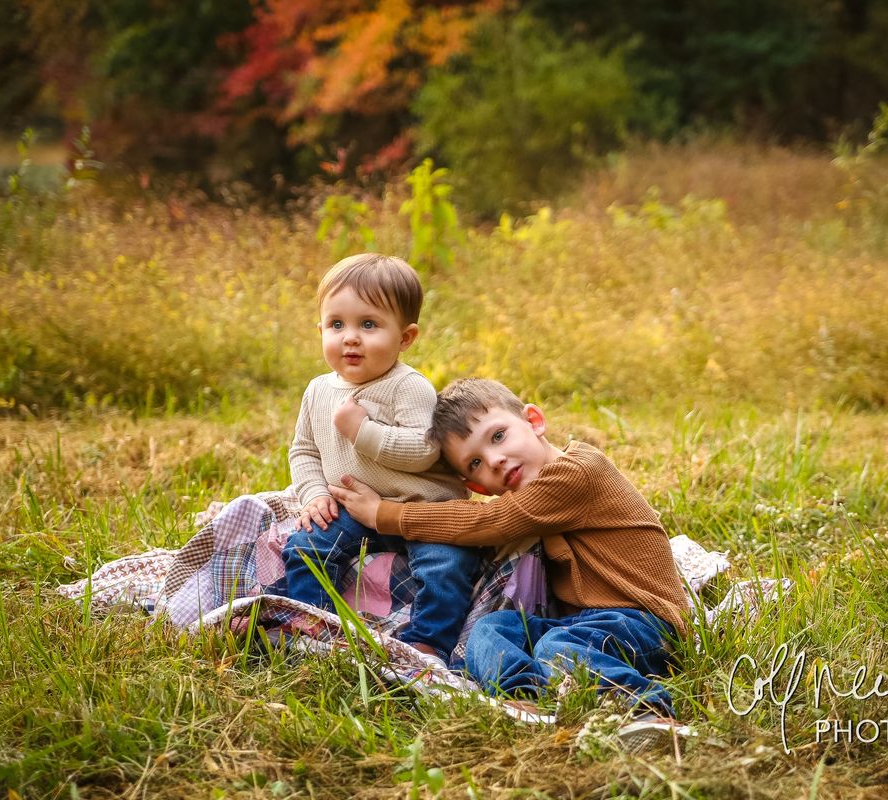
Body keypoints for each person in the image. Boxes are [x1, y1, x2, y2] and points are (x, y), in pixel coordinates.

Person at [328, 378, 690, 736]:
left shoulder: (576, 472)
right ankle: (525, 699)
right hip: (592, 625)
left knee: (557, 646)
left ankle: (646, 712)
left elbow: (492, 521)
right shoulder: (535, 494)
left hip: (649, 621)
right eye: (475, 463)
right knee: (490, 630)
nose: (495, 460)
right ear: (478, 487)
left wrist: (385, 515)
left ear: (534, 421)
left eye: (498, 436)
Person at [275, 253, 481, 667]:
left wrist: (361, 431)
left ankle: (427, 644)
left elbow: (425, 449)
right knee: (306, 545)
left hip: (422, 508)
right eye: (337, 325)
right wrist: (315, 493)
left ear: (405, 338)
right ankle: (311, 625)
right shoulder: (318, 390)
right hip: (353, 506)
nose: (350, 337)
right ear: (320, 330)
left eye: (368, 325)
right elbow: (304, 450)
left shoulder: (408, 387)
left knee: (447, 565)